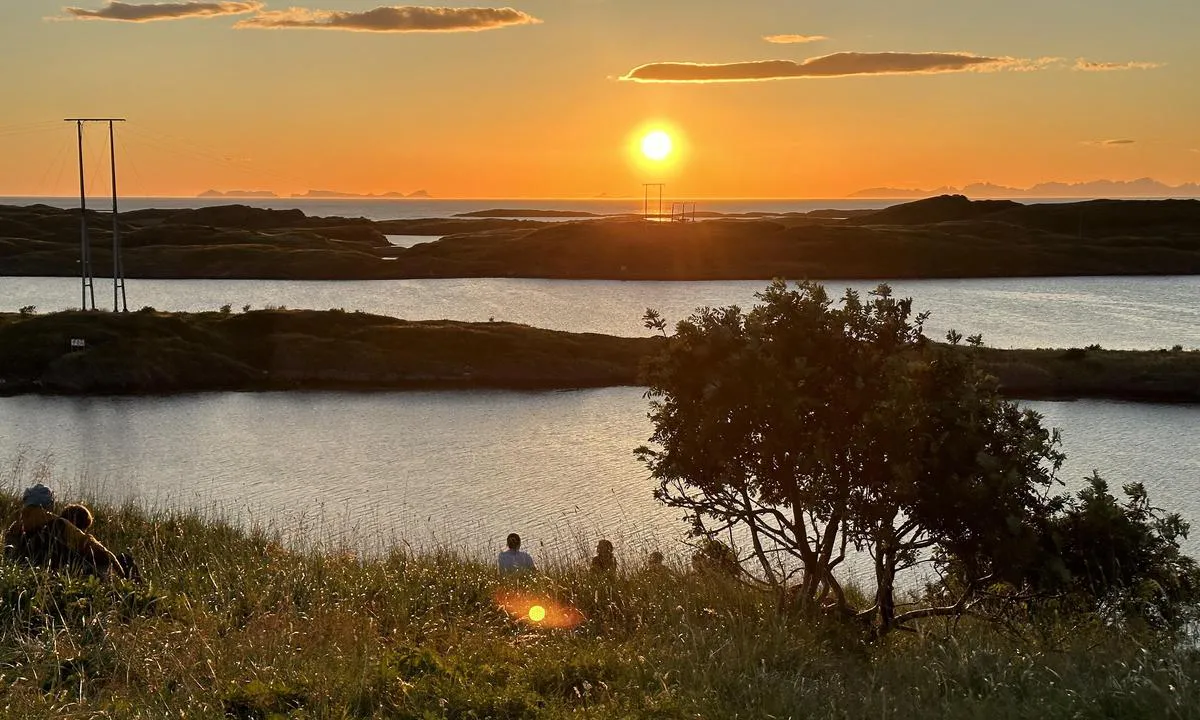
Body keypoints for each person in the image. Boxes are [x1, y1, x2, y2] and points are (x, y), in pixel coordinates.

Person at [3, 484, 126, 579]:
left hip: (26, 573)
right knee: (125, 558)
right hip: (67, 574)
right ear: (49, 504)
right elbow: (100, 551)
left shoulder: (13, 525)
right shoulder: (59, 524)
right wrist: (121, 574)